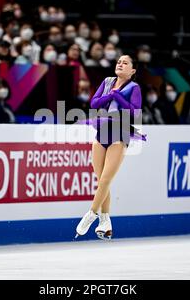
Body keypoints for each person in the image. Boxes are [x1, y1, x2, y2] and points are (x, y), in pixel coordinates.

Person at [75, 55, 146, 240]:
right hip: (102, 132)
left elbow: (135, 112)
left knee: (106, 179)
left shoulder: (133, 87)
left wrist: (118, 97)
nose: (120, 64)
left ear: (133, 71)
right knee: (101, 181)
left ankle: (91, 214)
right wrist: (111, 94)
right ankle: (105, 221)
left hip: (120, 133)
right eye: (118, 62)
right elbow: (94, 102)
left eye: (125, 63)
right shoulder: (107, 81)